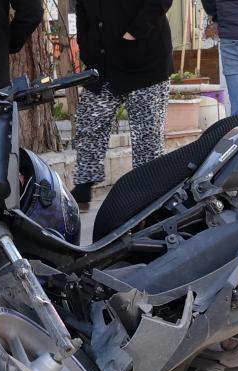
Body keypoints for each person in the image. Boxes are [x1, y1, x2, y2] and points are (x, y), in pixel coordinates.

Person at [71, 0, 174, 212]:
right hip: (102, 65)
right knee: (89, 123)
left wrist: (135, 32)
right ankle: (83, 187)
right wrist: (86, 47)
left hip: (146, 62)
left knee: (147, 137)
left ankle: (148, 195)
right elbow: (82, 8)